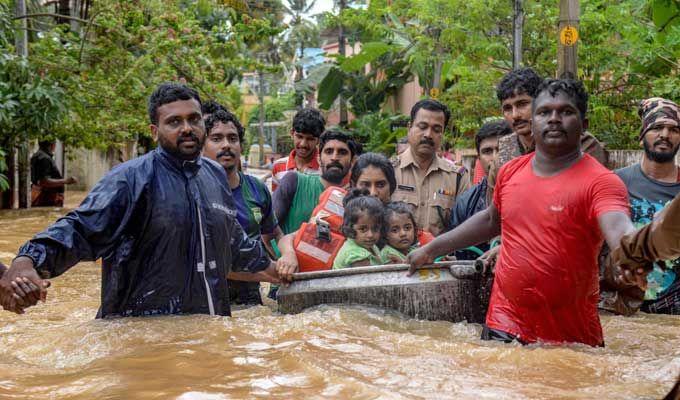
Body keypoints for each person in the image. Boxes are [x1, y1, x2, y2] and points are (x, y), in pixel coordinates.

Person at [0, 83, 281, 317]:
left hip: (209, 333)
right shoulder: (131, 179)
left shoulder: (214, 176)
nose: (187, 128)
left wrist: (277, 271)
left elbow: (233, 241)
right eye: (174, 121)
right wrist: (27, 261)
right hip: (141, 335)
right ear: (154, 131)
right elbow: (79, 229)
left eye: (194, 119)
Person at [407, 79, 643, 347]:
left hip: (571, 338)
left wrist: (631, 255)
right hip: (503, 322)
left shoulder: (601, 181)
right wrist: (432, 249)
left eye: (565, 112)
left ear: (584, 124)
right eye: (544, 112)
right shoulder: (510, 171)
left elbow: (618, 226)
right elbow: (490, 220)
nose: (553, 119)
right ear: (534, 120)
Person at [601, 97, 680, 315]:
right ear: (642, 134)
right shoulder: (614, 182)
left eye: (673, 129)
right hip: (621, 306)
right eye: (657, 127)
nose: (665, 134)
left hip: (673, 310)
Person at [202, 109, 283, 306]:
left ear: (241, 146)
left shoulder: (256, 189)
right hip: (210, 298)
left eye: (232, 138)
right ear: (202, 147)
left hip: (251, 300)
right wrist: (271, 274)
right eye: (216, 138)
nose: (226, 145)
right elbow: (207, 261)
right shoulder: (194, 193)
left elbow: (274, 235)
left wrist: (287, 257)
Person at [392, 99, 470, 236]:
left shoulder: (457, 177)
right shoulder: (389, 171)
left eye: (436, 129)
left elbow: (466, 226)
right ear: (409, 128)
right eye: (422, 127)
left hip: (440, 256)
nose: (428, 134)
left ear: (442, 134)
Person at [273, 130, 357, 235]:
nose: (334, 158)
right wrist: (286, 250)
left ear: (353, 161)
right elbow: (267, 228)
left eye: (342, 152)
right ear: (318, 158)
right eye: (329, 151)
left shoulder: (355, 200)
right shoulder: (294, 181)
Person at [450, 120, 511, 260]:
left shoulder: (532, 192)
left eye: (501, 149)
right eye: (487, 151)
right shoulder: (465, 202)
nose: (495, 158)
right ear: (479, 158)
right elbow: (459, 256)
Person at [271, 108, 325, 191]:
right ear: (292, 133)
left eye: (310, 139)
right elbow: (276, 201)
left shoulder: (325, 168)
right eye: (299, 137)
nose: (303, 144)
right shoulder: (278, 166)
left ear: (319, 139)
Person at [333, 190, 385, 269]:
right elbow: (370, 279)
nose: (370, 235)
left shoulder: (370, 246)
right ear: (350, 227)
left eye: (375, 228)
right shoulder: (355, 254)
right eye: (363, 229)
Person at [30, 140, 78, 207]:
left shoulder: (37, 156)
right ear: (52, 145)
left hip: (42, 196)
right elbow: (44, 181)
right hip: (46, 198)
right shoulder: (45, 158)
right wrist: (66, 181)